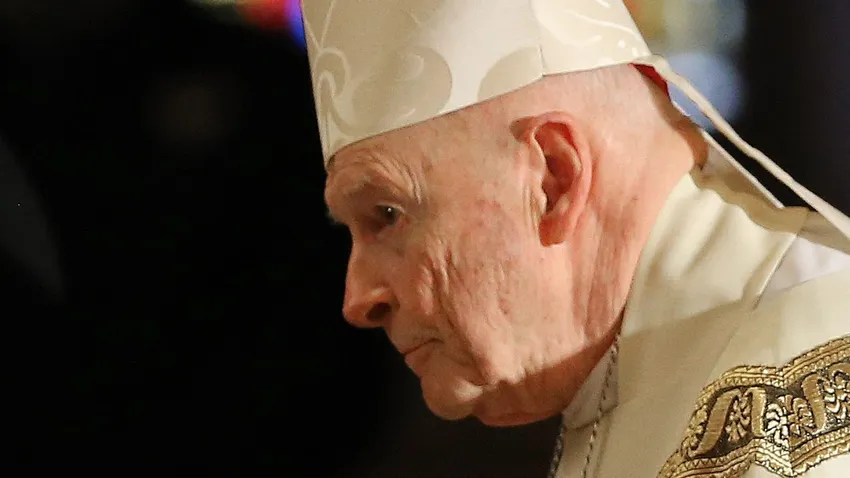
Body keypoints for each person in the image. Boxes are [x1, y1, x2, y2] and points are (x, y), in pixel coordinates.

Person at [301, 1, 850, 476]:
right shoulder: (627, 376)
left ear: (553, 180)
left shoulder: (801, 380)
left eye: (388, 214)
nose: (358, 299)